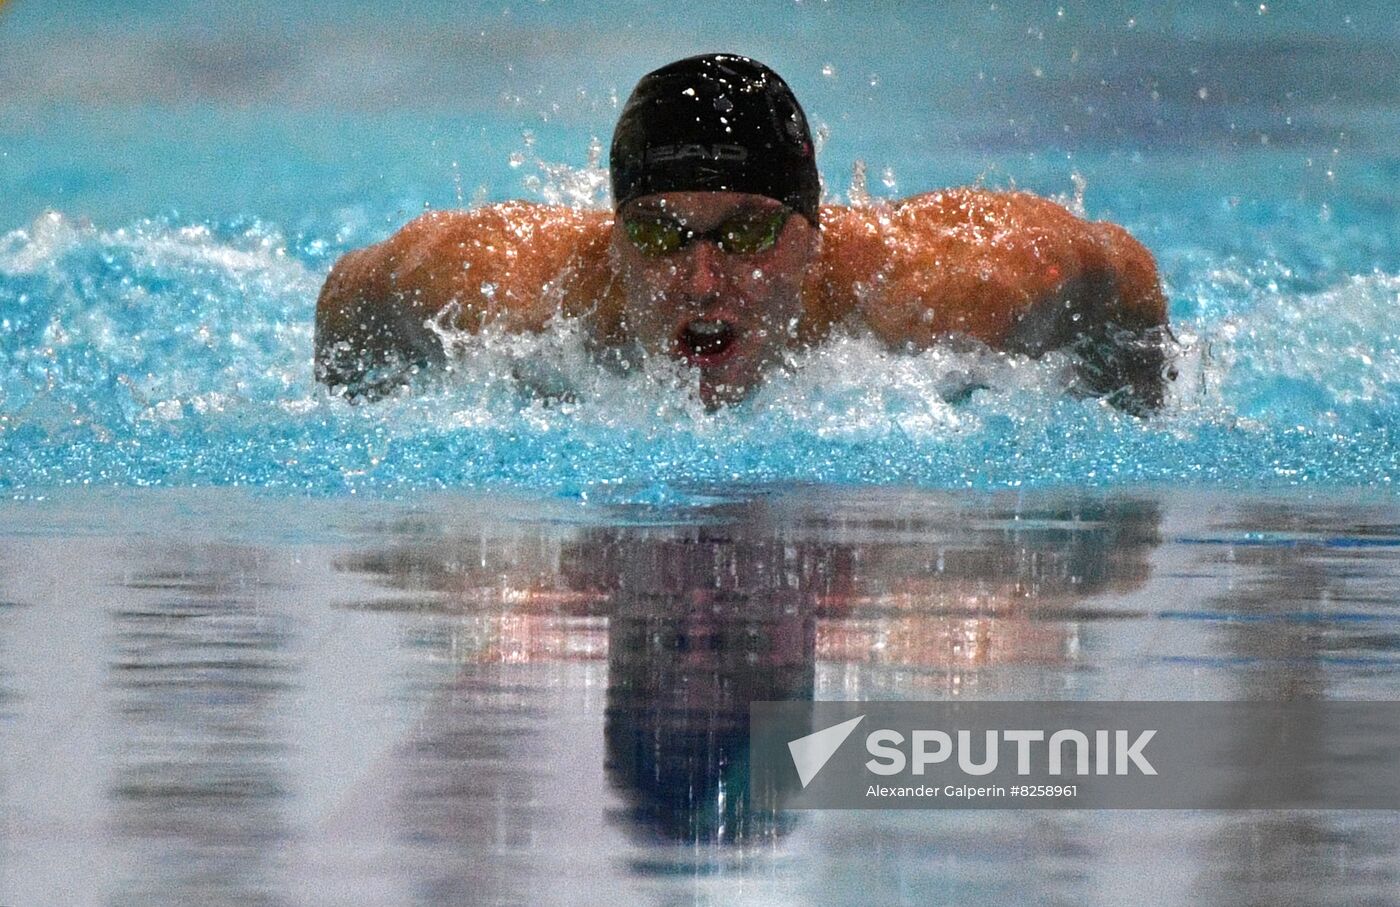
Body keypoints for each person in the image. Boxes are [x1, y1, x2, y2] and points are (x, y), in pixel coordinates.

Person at [316, 53, 1170, 412]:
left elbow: (1122, 275)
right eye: (658, 235)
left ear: (812, 230)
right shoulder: (513, 289)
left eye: (749, 235)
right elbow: (351, 294)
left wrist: (1139, 418)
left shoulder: (946, 289)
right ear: (613, 238)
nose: (699, 279)